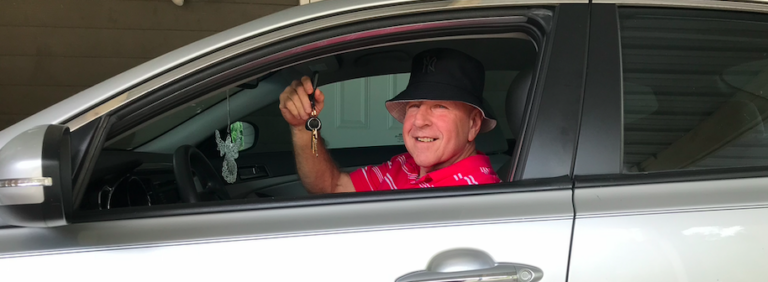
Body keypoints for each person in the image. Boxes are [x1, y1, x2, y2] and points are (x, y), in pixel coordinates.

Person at [279, 48, 501, 193]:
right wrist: (302, 127)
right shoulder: (405, 165)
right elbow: (332, 186)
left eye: (440, 106)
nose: (419, 121)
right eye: (414, 106)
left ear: (473, 125)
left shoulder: (474, 194)